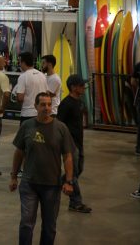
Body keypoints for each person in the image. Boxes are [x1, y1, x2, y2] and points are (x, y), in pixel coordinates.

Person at [9, 92, 75, 245]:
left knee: (49, 226)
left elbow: (68, 157)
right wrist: (13, 176)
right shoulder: (27, 126)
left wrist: (69, 181)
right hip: (29, 183)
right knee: (26, 223)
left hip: (52, 185)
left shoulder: (61, 128)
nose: (47, 108)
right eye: (43, 105)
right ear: (35, 106)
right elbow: (19, 152)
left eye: (49, 104)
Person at [57, 75, 92, 213]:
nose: (84, 87)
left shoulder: (79, 102)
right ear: (73, 87)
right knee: (74, 173)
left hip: (79, 142)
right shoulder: (66, 104)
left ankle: (57, 183)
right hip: (70, 144)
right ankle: (76, 202)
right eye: (81, 85)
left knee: (78, 170)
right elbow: (59, 124)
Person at [15, 52, 48, 123]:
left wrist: (16, 97)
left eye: (20, 62)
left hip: (27, 114)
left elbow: (20, 98)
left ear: (23, 63)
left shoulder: (23, 76)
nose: (20, 65)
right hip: (41, 112)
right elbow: (46, 93)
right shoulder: (42, 75)